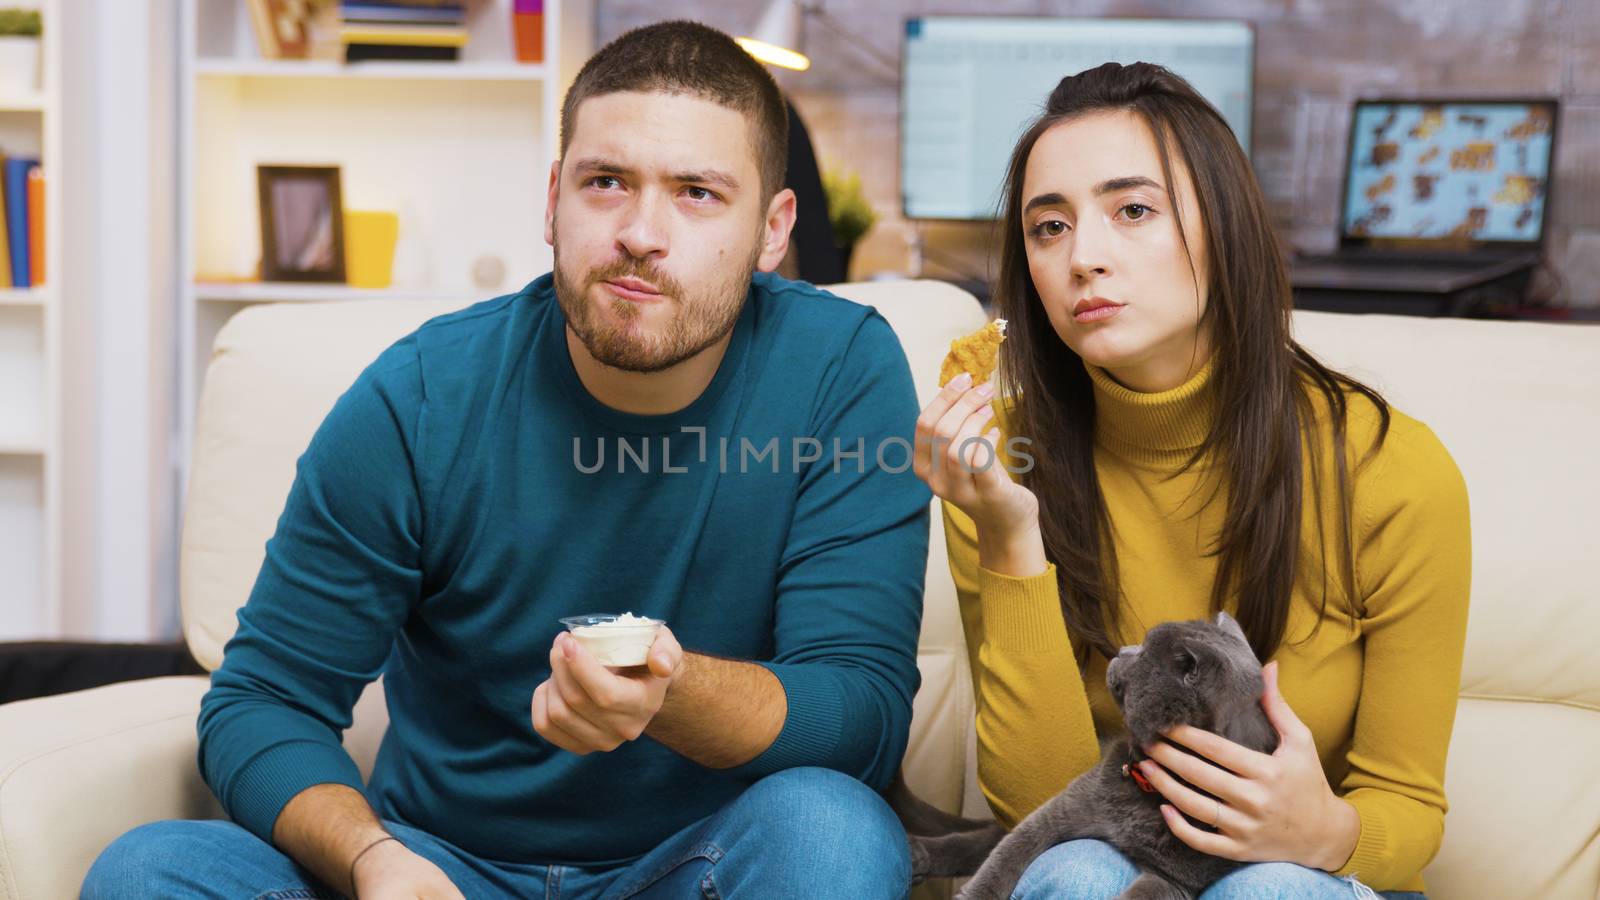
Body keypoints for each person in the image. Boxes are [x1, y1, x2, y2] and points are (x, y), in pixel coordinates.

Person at [84, 21, 927, 900]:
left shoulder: (839, 370)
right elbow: (262, 701)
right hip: (437, 866)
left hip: (697, 869)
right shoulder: (421, 397)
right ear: (554, 197)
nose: (642, 232)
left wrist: (666, 694)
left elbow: (860, 718)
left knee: (833, 832)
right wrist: (375, 861)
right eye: (607, 182)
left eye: (698, 194)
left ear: (773, 229)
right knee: (146, 872)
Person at [913, 62, 1468, 899]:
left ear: (1225, 226)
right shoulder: (1001, 465)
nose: (1083, 258)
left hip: (1304, 878)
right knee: (1074, 872)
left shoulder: (1390, 468)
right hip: (1110, 856)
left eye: (1133, 210)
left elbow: (1408, 807)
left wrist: (1323, 830)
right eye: (1048, 227)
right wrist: (1008, 530)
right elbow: (1041, 808)